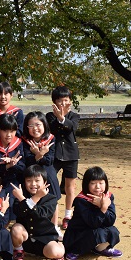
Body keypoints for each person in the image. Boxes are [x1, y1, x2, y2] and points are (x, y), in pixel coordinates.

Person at [63, 167, 122, 260]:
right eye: (93, 183)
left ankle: (101, 248)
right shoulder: (81, 200)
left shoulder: (108, 197)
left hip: (96, 230)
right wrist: (103, 208)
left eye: (101, 183)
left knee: (113, 231)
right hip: (79, 233)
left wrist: (102, 205)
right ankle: (75, 251)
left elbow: (111, 221)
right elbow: (92, 222)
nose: (97, 187)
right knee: (97, 233)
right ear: (86, 184)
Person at [10, 165, 65, 260]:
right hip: (26, 239)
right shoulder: (21, 195)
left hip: (45, 239)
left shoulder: (51, 199)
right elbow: (18, 212)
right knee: (16, 228)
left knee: (56, 252)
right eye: (29, 180)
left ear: (44, 182)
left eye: (37, 180)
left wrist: (28, 198)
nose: (33, 184)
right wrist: (23, 198)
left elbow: (40, 215)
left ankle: (60, 246)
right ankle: (18, 250)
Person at [46, 86, 80, 230]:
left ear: (70, 101)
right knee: (50, 183)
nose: (63, 104)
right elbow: (52, 129)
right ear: (54, 103)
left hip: (71, 155)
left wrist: (62, 118)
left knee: (70, 187)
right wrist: (59, 118)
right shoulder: (49, 116)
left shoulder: (74, 116)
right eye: (60, 101)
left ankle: (67, 215)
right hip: (54, 154)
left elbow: (72, 128)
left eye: (66, 100)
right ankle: (49, 214)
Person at [22, 111, 61, 234]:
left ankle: (55, 226)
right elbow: (27, 160)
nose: (35, 128)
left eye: (38, 125)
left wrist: (37, 154)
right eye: (31, 126)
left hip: (47, 172)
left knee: (53, 199)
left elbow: (49, 161)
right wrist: (40, 154)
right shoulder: (24, 141)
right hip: (31, 173)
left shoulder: (51, 139)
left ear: (44, 125)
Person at [0, 113, 24, 214]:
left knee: (13, 203)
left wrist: (13, 164)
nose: (9, 135)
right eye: (5, 131)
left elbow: (22, 167)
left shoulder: (18, 143)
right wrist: (6, 166)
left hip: (13, 180)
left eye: (12, 131)